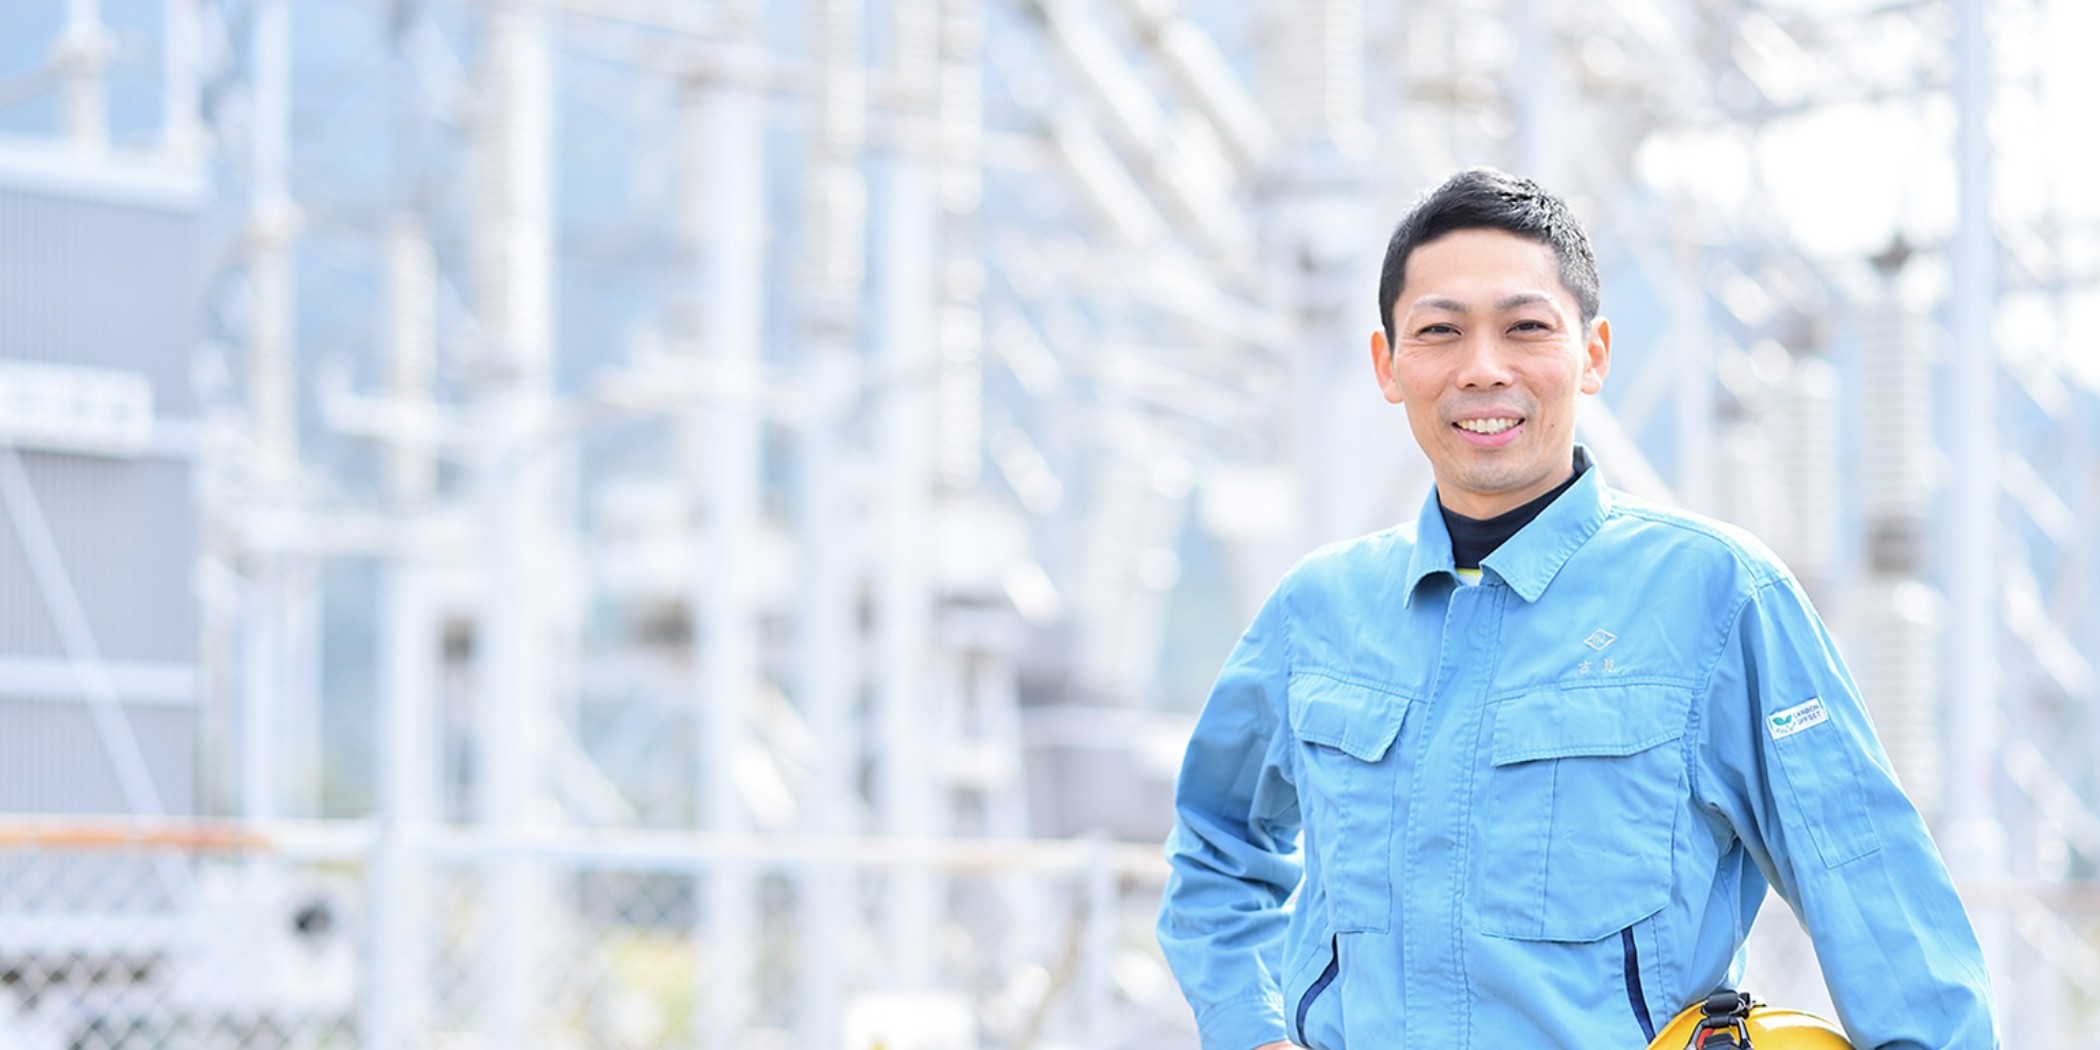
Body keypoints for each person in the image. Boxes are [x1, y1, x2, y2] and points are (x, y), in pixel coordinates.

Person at [1155, 168, 1997, 1049]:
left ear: (1593, 354)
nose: (1484, 369)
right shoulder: (1318, 612)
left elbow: (1875, 893)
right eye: (1440, 331)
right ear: (1387, 364)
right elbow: (1216, 845)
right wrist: (1250, 1029)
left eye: (1525, 327)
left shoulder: (1718, 596)